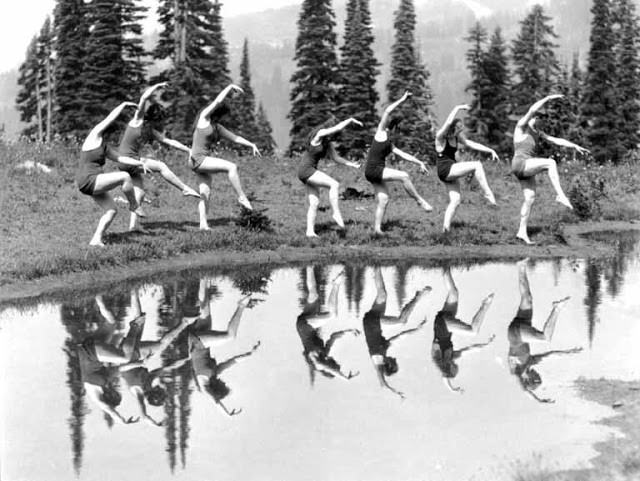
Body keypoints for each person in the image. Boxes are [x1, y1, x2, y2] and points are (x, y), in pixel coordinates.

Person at [117, 82, 200, 231]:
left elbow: (169, 141)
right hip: (129, 160)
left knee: (140, 193)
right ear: (155, 117)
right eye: (159, 120)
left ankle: (132, 227)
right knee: (161, 166)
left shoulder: (150, 130)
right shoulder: (138, 120)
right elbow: (144, 98)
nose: (160, 123)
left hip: (128, 162)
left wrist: (188, 150)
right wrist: (158, 85)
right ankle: (184, 189)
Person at [511, 94, 590, 244]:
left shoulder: (538, 133)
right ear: (535, 118)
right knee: (551, 163)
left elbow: (556, 140)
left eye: (543, 121)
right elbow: (532, 109)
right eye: (539, 119)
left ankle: (521, 232)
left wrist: (575, 146)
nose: (540, 123)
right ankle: (560, 195)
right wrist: (548, 98)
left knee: (529, 199)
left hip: (525, 169)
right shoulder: (521, 127)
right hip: (520, 163)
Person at [508, 259, 582, 403]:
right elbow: (550, 355)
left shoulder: (517, 372)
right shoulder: (531, 361)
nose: (537, 373)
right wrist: (568, 352)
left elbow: (523, 389)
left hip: (516, 336)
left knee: (545, 338)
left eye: (536, 376)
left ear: (527, 379)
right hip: (519, 329)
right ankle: (521, 267)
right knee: (527, 299)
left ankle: (557, 308)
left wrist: (537, 400)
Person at [75, 101, 148, 246]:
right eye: (113, 133)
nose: (115, 136)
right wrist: (123, 105)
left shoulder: (104, 146)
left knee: (111, 210)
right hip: (89, 179)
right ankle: (133, 205)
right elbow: (109, 118)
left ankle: (96, 239)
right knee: (124, 176)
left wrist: (140, 163)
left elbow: (120, 158)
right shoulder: (94, 136)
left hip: (94, 182)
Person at [190, 84, 261, 231]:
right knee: (232, 167)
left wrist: (251, 144)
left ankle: (203, 225)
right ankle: (241, 197)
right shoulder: (203, 119)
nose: (222, 117)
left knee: (205, 192)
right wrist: (229, 87)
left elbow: (235, 138)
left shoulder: (217, 127)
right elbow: (217, 101)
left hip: (198, 161)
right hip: (198, 159)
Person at [364, 91, 433, 235]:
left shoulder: (390, 144)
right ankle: (420, 201)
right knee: (404, 176)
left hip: (371, 173)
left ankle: (377, 230)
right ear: (395, 128)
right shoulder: (381, 132)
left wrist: (419, 162)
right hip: (374, 170)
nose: (399, 134)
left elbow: (404, 155)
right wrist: (403, 98)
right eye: (399, 130)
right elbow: (388, 110)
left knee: (383, 199)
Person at [362, 266, 431, 398]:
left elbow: (382, 382)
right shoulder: (384, 349)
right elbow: (400, 336)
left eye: (395, 363)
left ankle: (418, 296)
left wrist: (394, 392)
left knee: (401, 321)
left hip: (372, 322)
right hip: (371, 321)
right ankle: (376, 266)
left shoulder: (377, 358)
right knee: (382, 294)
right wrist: (416, 329)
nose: (396, 359)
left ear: (388, 365)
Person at [435, 104, 498, 233]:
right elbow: (447, 122)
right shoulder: (440, 137)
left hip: (451, 171)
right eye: (459, 129)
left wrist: (490, 150)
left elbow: (471, 144)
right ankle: (488, 195)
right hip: (446, 169)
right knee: (477, 165)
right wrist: (457, 107)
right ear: (453, 128)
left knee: (455, 200)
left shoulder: (456, 137)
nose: (460, 131)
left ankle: (445, 230)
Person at [431, 266, 494, 393]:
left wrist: (452, 389)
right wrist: (485, 344)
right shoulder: (452, 356)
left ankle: (485, 304)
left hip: (443, 326)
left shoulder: (439, 358)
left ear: (448, 367)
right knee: (454, 293)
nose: (456, 364)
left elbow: (445, 377)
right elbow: (470, 349)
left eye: (454, 367)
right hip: (443, 323)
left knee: (473, 331)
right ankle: (445, 265)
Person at [297, 116, 362, 237]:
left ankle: (310, 232)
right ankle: (336, 213)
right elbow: (336, 128)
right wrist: (350, 120)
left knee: (314, 203)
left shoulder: (327, 143)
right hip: (306, 170)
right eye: (334, 130)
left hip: (308, 171)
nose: (335, 133)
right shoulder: (319, 134)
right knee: (334, 184)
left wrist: (352, 164)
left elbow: (336, 158)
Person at [296, 266, 360, 385]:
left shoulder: (316, 363)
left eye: (335, 366)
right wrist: (348, 331)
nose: (335, 363)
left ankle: (336, 284)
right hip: (305, 325)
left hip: (305, 327)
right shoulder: (324, 353)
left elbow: (325, 367)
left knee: (332, 315)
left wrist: (343, 377)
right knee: (314, 294)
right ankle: (309, 265)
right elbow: (334, 336)